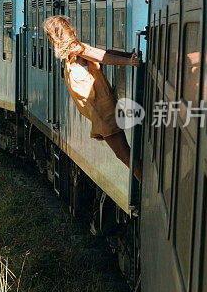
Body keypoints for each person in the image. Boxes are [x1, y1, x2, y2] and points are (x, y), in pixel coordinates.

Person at [44, 15, 142, 182]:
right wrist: (128, 56)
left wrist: (129, 62)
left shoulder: (78, 50)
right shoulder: (73, 54)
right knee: (125, 155)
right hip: (100, 114)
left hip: (105, 113)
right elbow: (105, 53)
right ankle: (145, 183)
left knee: (124, 155)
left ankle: (146, 187)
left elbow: (103, 57)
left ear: (54, 36)